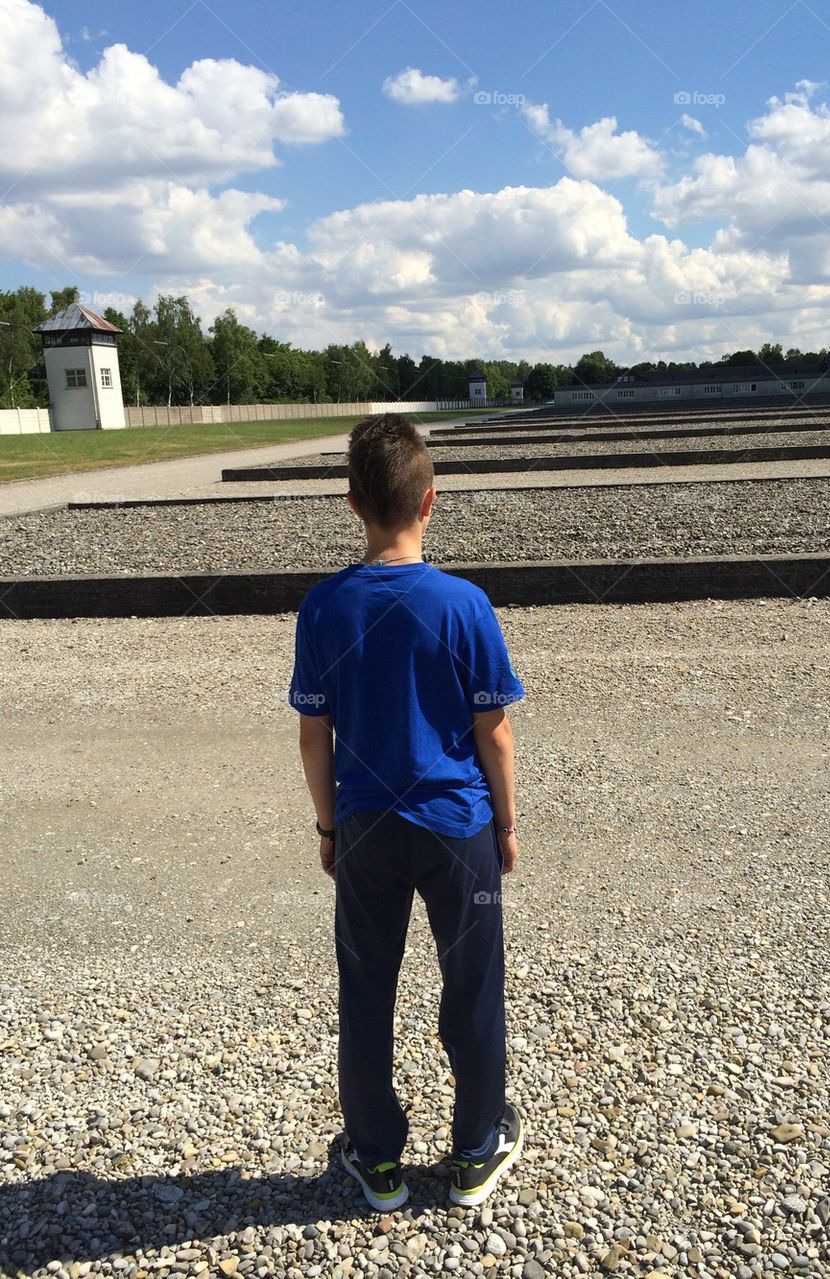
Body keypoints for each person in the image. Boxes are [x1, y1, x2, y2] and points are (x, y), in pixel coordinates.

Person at [288, 413, 525, 1212]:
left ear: (354, 503)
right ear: (431, 501)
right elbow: (494, 732)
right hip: (457, 825)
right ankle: (473, 1148)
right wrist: (508, 823)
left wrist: (329, 826)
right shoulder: (465, 603)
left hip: (365, 826)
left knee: (365, 983)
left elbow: (313, 737)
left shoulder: (323, 608)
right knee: (473, 983)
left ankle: (378, 1156)